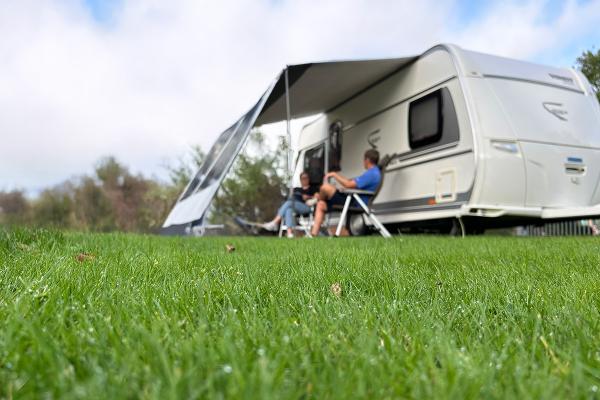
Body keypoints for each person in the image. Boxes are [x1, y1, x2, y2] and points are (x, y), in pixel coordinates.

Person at [310, 149, 381, 237]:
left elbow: (348, 184)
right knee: (321, 204)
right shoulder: (374, 172)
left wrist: (334, 174)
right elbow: (351, 183)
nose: (363, 162)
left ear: (367, 160)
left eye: (364, 160)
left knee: (325, 188)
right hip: (353, 199)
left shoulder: (372, 173)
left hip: (355, 202)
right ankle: (313, 235)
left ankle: (316, 199)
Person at [262, 171, 318, 238]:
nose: (304, 180)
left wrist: (308, 197)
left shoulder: (313, 188)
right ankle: (289, 233)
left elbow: (317, 197)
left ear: (309, 179)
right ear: (300, 179)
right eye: (303, 178)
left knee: (289, 203)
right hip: (294, 205)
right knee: (289, 209)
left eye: (306, 178)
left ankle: (274, 222)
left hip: (306, 207)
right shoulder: (296, 189)